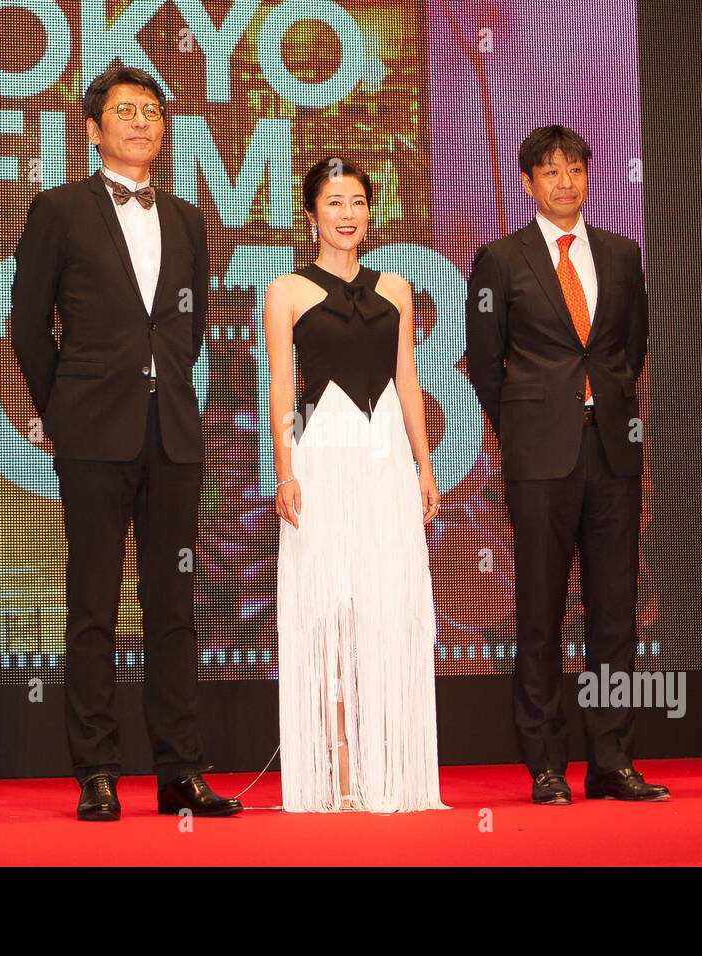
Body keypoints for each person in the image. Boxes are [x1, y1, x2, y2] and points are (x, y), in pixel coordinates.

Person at [9, 64, 241, 821]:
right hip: (93, 436)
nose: (142, 121)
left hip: (171, 433)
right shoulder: (59, 210)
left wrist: (160, 387)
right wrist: (67, 411)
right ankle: (98, 770)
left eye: (152, 109)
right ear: (92, 128)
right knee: (94, 606)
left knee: (173, 607)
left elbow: (191, 328)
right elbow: (28, 328)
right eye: (125, 110)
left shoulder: (187, 218)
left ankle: (180, 769)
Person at [465, 126, 671, 805]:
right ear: (527, 182)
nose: (564, 182)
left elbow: (627, 353)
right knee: (539, 613)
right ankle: (545, 763)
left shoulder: (621, 254)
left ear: (589, 175)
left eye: (574, 168)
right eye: (549, 171)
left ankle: (612, 759)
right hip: (539, 457)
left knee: (614, 615)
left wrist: (597, 408)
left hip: (610, 451)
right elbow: (486, 364)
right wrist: (527, 426)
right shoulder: (499, 259)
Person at [263, 157, 448, 813]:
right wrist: (285, 469)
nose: (347, 214)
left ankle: (391, 772)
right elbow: (282, 387)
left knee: (388, 606)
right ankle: (336, 776)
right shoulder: (285, 290)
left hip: (384, 460)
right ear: (310, 215)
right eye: (333, 202)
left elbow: (407, 382)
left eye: (358, 202)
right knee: (328, 612)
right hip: (320, 457)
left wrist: (425, 466)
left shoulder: (394, 287)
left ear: (371, 212)